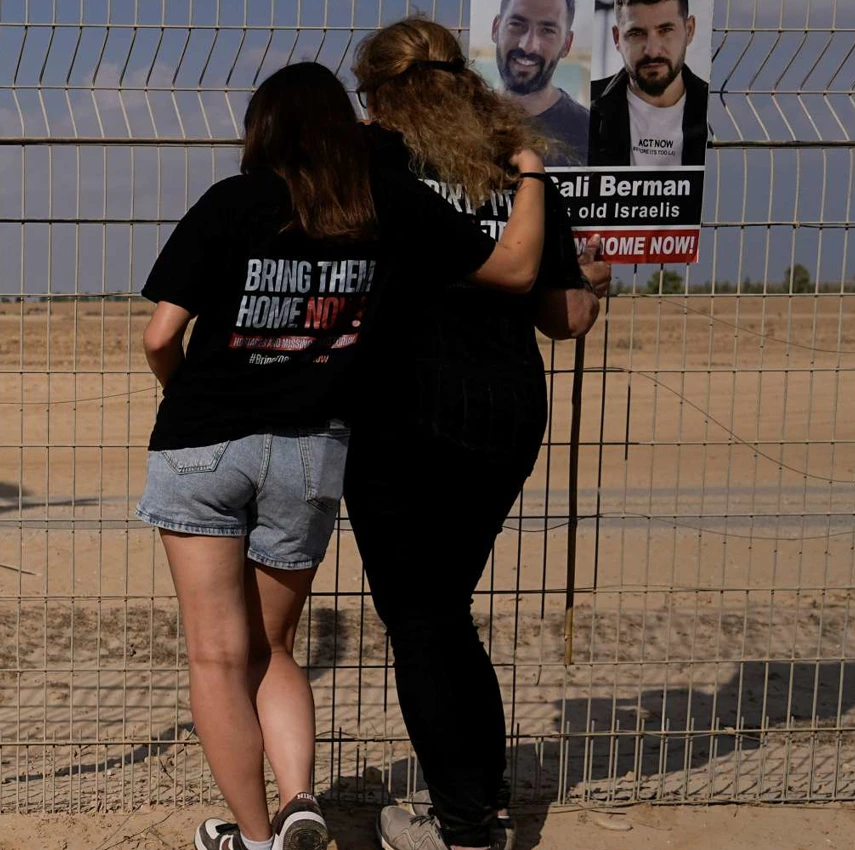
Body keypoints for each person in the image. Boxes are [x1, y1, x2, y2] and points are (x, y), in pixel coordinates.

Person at [138, 62, 550, 850]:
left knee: (218, 658)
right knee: (274, 647)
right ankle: (299, 797)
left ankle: (257, 840)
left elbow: (161, 336)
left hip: (205, 444)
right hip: (309, 451)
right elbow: (514, 269)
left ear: (262, 131)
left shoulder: (230, 203)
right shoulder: (380, 205)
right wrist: (531, 174)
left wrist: (190, 393)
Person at [351, 18, 613, 850]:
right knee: (446, 612)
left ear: (382, 93)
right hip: (504, 413)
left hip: (403, 413)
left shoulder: (377, 166)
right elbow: (564, 315)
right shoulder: (518, 169)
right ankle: (484, 796)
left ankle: (463, 827)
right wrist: (595, 282)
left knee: (421, 621)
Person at [589, 0, 708, 166]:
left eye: (665, 30)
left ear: (689, 30)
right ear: (617, 38)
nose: (652, 51)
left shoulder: (716, 111)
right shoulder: (584, 110)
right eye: (636, 33)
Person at [488, 0, 590, 164]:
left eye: (547, 31)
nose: (528, 47)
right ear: (496, 29)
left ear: (566, 44)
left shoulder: (588, 133)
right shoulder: (464, 121)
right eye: (517, 24)